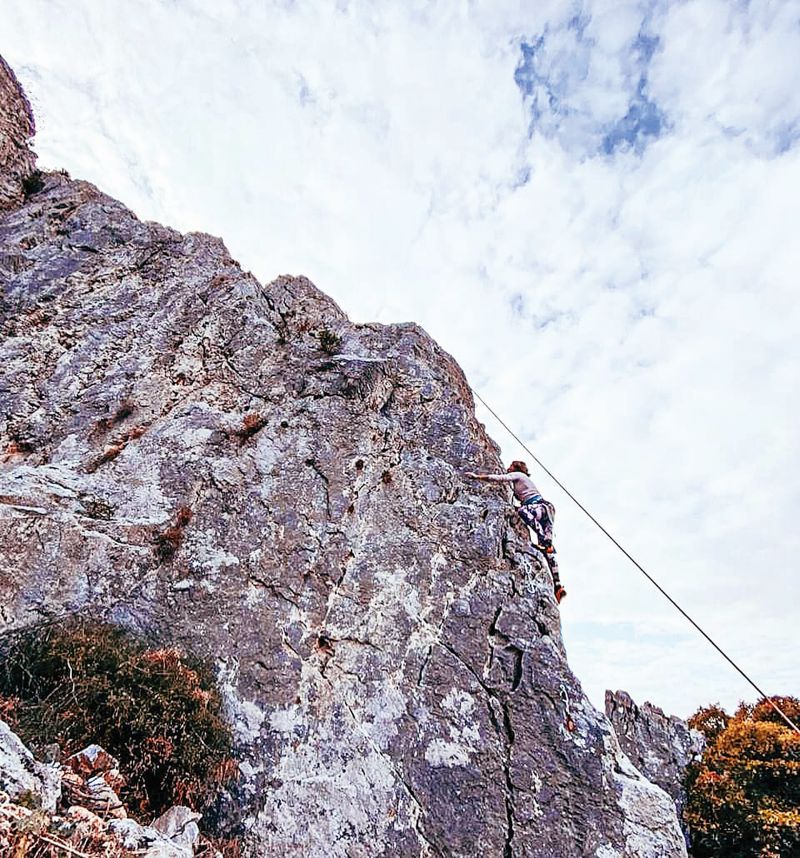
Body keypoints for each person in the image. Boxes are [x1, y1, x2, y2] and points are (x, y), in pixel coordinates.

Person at [466, 461, 566, 604]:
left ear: (517, 468)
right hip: (546, 510)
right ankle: (557, 585)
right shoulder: (526, 481)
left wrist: (477, 477)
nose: (508, 468)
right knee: (548, 549)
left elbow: (499, 478)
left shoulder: (518, 475)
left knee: (523, 511)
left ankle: (544, 541)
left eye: (511, 466)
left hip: (538, 507)